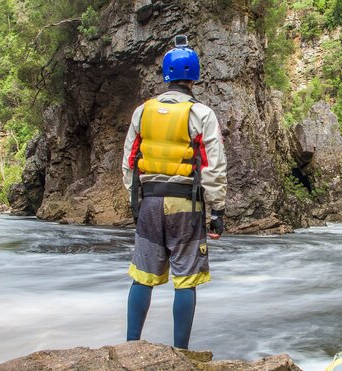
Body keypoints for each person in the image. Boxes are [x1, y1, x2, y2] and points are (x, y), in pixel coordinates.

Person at [121, 35, 227, 349]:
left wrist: (134, 199)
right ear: (193, 77)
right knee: (187, 279)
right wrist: (217, 210)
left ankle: (129, 347)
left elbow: (129, 159)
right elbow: (213, 165)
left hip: (150, 202)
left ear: (166, 76)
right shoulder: (202, 114)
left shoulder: (142, 112)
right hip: (185, 206)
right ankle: (180, 351)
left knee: (142, 275)